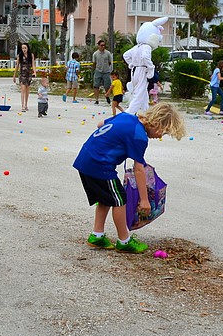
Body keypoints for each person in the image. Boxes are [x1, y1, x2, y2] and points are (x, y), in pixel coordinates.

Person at [74, 102, 186, 253]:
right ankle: (124, 241)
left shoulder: (126, 117)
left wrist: (116, 140)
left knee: (106, 198)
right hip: (99, 165)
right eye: (163, 132)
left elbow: (100, 124)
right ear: (157, 123)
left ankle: (97, 235)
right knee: (120, 200)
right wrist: (144, 200)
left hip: (85, 158)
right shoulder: (139, 136)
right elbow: (138, 170)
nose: (160, 136)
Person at [13, 42, 36, 112]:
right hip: (22, 74)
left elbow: (33, 64)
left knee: (27, 90)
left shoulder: (31, 55)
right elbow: (17, 66)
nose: (24, 49)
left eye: (25, 48)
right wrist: (14, 76)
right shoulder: (19, 55)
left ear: (27, 48)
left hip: (29, 74)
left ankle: (26, 104)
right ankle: (22, 105)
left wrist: (34, 72)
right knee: (22, 89)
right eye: (23, 48)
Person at [91, 39, 113, 105]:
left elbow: (109, 62)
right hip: (98, 71)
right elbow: (94, 63)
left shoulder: (108, 53)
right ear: (98, 46)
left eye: (104, 45)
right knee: (96, 85)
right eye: (101, 45)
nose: (103, 46)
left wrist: (106, 68)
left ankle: (107, 96)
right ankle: (96, 99)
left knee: (107, 85)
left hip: (106, 71)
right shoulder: (95, 54)